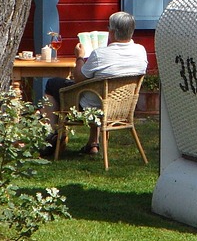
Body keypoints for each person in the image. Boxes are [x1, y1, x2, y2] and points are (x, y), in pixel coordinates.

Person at [43, 11, 147, 155]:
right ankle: (93, 143)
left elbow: (78, 78)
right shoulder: (141, 51)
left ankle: (53, 135)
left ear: (112, 31)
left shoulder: (100, 54)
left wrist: (79, 57)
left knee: (52, 84)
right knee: (95, 87)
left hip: (92, 106)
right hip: (121, 106)